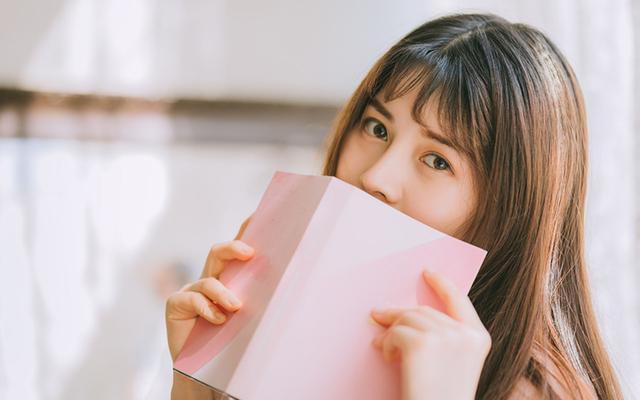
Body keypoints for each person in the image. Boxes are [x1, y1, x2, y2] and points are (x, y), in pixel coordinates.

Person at [165, 12, 624, 399]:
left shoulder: (534, 389)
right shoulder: (323, 331)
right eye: (377, 128)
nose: (376, 178)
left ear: (509, 208)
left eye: (437, 160)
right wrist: (198, 380)